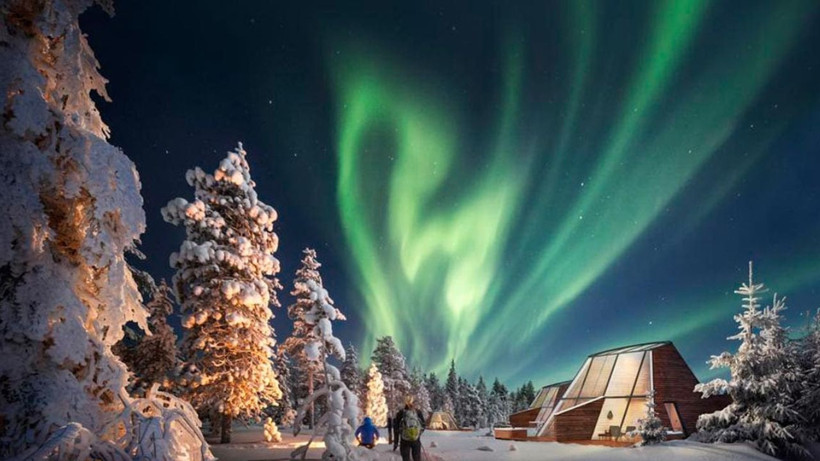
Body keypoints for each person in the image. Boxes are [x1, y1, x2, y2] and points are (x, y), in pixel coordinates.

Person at [393, 395, 425, 461]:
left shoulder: (401, 413)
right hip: (415, 440)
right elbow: (423, 425)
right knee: (416, 458)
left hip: (404, 440)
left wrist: (396, 442)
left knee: (406, 458)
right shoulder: (417, 412)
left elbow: (396, 428)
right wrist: (417, 434)